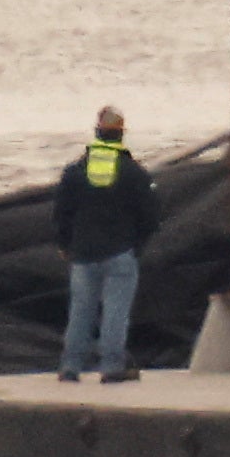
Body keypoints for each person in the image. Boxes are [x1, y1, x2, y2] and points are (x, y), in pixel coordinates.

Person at [51, 108, 161, 385]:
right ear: (121, 133)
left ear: (97, 131)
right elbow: (150, 215)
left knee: (80, 312)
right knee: (115, 312)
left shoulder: (75, 171)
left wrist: (65, 244)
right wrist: (137, 245)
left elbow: (62, 212)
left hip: (83, 253)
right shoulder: (133, 172)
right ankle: (111, 367)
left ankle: (70, 367)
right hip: (120, 252)